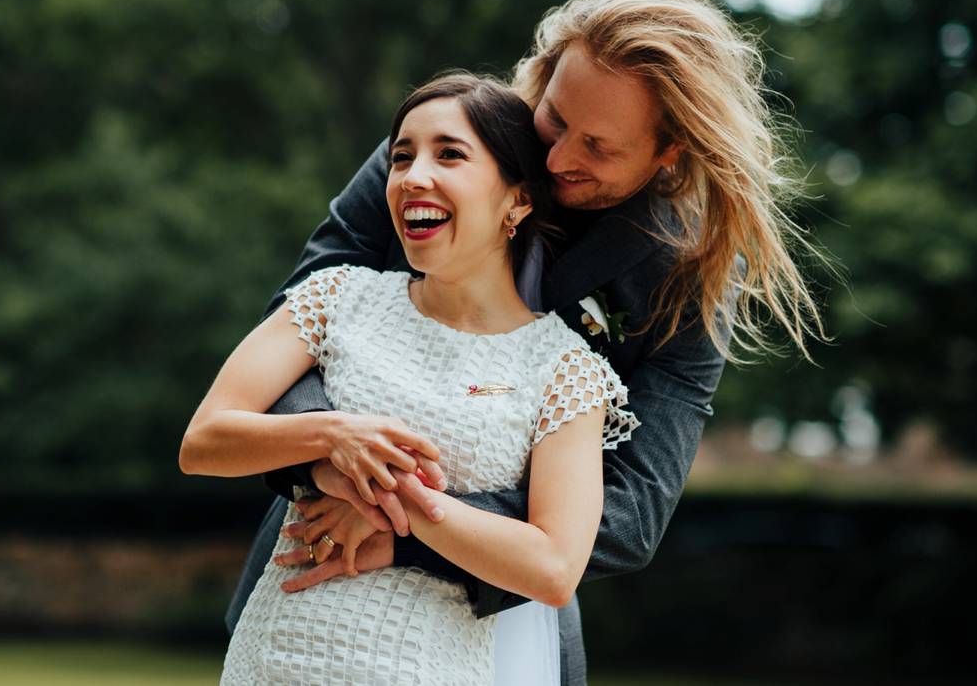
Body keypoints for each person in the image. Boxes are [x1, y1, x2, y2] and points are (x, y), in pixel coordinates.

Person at [225, 0, 829, 685]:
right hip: (316, 570)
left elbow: (630, 514)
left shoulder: (686, 280)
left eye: (598, 146)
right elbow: (296, 322)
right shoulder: (437, 151)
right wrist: (335, 464)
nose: (556, 158)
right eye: (554, 116)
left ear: (669, 152)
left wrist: (404, 523)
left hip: (499, 619)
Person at [182, 73, 641, 684]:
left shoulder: (566, 371)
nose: (412, 176)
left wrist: (399, 506)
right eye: (402, 157)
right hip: (276, 656)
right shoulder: (336, 296)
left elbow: (554, 568)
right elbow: (203, 442)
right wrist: (330, 436)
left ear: (519, 198)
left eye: (449, 154)